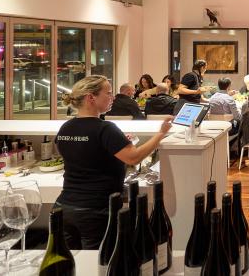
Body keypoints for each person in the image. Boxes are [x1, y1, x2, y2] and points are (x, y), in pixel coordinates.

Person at [55, 75, 172, 249]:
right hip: (96, 211)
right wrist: (160, 134)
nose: (113, 97)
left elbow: (81, 153)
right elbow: (134, 157)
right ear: (91, 97)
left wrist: (115, 144)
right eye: (108, 93)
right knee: (99, 265)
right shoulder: (105, 128)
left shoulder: (65, 128)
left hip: (63, 208)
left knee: (71, 263)